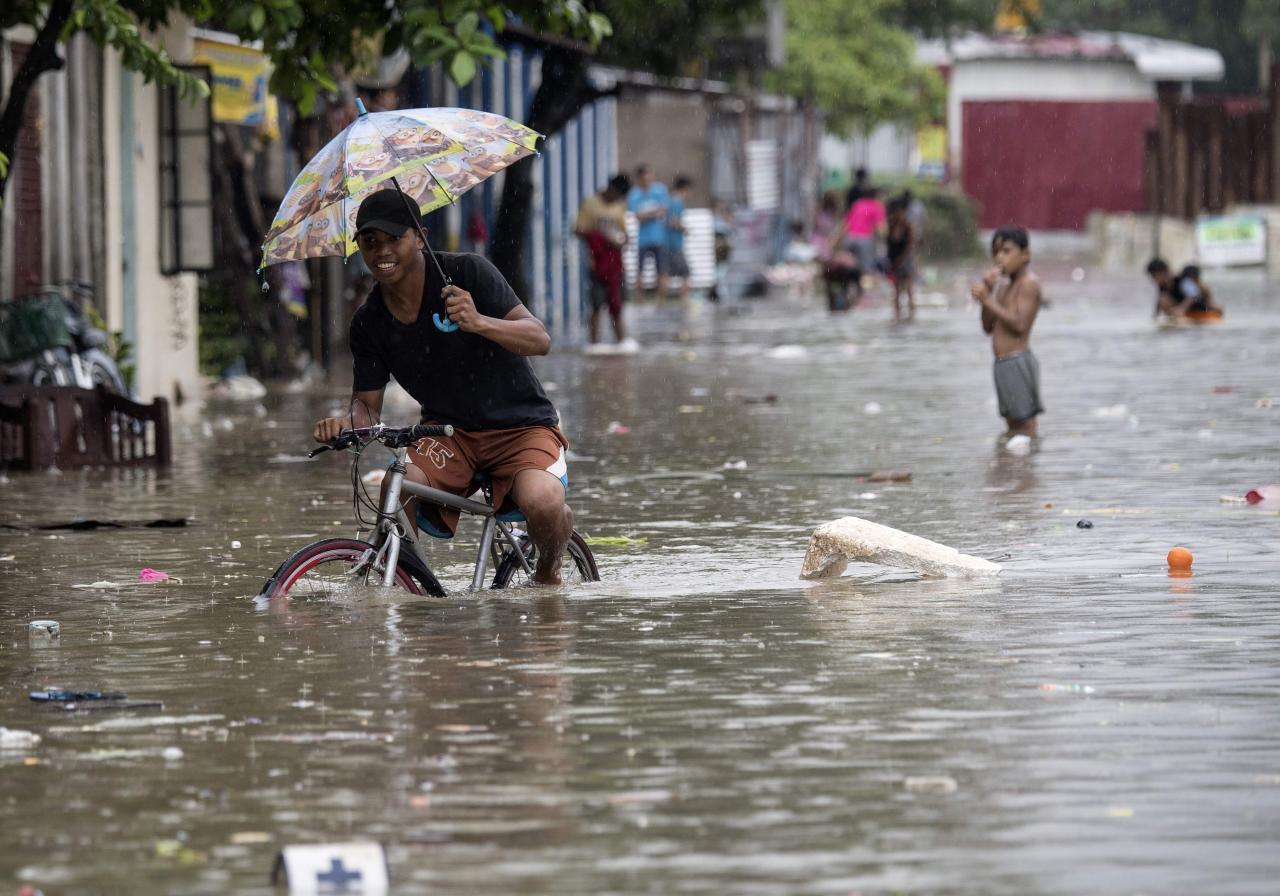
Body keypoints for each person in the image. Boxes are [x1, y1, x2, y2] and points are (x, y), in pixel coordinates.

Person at [312, 188, 573, 585]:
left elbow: (539, 340)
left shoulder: (467, 273)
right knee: (394, 490)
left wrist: (479, 321)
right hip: (448, 435)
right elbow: (367, 408)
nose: (382, 251)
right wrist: (345, 425)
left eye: (394, 238)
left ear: (420, 236)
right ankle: (407, 586)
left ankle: (549, 576)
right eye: (370, 241)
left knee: (542, 500)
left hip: (522, 428)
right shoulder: (368, 322)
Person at [970, 227, 1044, 439]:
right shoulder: (1002, 286)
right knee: (1012, 424)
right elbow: (987, 327)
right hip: (1001, 363)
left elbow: (1020, 324)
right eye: (996, 252)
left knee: (1026, 424)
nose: (1000, 257)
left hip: (1018, 361)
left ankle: (1026, 468)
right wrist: (989, 292)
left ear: (1025, 254)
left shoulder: (1028, 284)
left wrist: (987, 300)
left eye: (1006, 251)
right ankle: (1014, 469)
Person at [574, 173, 632, 346]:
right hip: (597, 263)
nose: (617, 199)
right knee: (597, 304)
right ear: (611, 189)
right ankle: (594, 344)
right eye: (617, 195)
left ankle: (622, 342)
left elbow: (626, 235)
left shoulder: (619, 206)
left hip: (615, 264)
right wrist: (602, 238)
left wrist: (620, 243)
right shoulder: (591, 204)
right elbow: (578, 230)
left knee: (617, 303)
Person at [627, 164, 670, 301]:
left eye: (650, 178)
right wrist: (654, 212)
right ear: (639, 180)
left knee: (662, 270)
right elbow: (638, 216)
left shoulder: (660, 190)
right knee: (640, 270)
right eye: (645, 179)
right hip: (643, 239)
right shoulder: (634, 194)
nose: (648, 182)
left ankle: (661, 299)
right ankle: (639, 298)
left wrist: (648, 214)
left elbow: (664, 209)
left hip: (660, 238)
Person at [838, 187, 886, 293]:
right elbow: (881, 229)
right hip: (864, 239)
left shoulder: (857, 204)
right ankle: (864, 297)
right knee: (866, 271)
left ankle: (848, 292)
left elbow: (846, 224)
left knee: (849, 267)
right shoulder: (876, 206)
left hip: (849, 238)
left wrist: (836, 241)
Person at [1146, 258, 1223, 319]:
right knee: (1162, 300)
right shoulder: (1162, 286)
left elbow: (1194, 295)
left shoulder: (1182, 281)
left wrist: (1181, 309)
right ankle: (1178, 319)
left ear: (1163, 272)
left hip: (1198, 308)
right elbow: (1160, 302)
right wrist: (1155, 316)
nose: (1153, 279)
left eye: (1154, 276)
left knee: (1215, 307)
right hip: (1182, 313)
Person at [885, 196, 916, 321]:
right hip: (895, 259)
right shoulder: (891, 224)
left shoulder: (908, 225)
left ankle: (911, 315)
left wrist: (903, 259)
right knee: (896, 290)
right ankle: (897, 316)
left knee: (908, 289)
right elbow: (890, 241)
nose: (896, 214)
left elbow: (910, 245)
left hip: (905, 259)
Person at [665, 175, 693, 304]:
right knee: (685, 272)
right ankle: (684, 299)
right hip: (674, 244)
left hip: (668, 243)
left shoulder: (670, 200)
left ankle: (663, 301)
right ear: (684, 188)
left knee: (667, 272)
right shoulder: (677, 202)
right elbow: (673, 221)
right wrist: (685, 228)